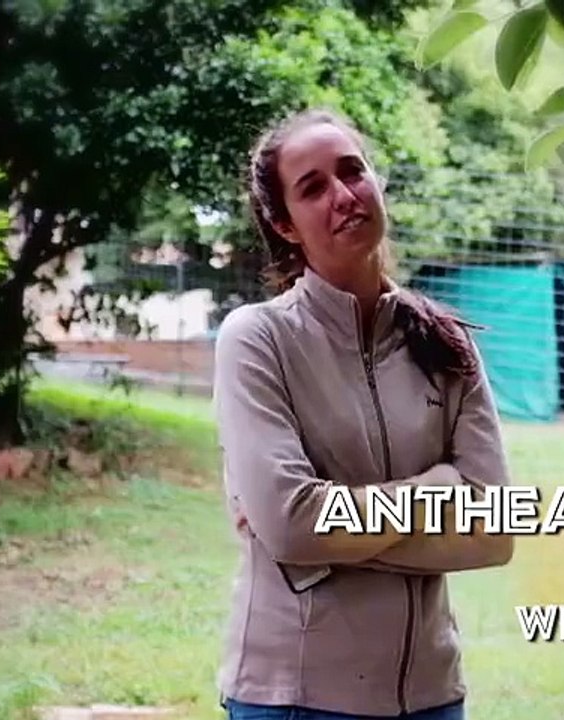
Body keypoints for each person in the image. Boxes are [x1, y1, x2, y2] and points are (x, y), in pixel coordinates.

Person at [211, 107, 515, 720]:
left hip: (432, 697)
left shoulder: (446, 343)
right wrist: (440, 488)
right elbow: (293, 525)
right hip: (296, 698)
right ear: (285, 224)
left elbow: (494, 533)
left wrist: (320, 544)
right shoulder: (258, 339)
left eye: (352, 171)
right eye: (312, 188)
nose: (343, 195)